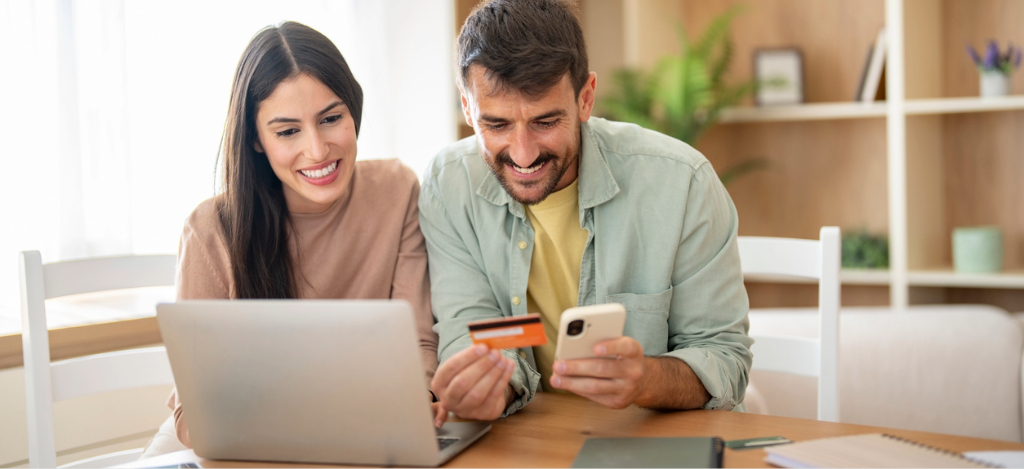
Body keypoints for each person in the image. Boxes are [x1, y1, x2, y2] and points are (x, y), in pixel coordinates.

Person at [420, 0, 752, 426]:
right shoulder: (449, 186)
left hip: (655, 438)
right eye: (497, 124)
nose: (523, 154)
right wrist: (486, 390)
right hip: (531, 437)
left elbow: (726, 361)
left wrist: (646, 379)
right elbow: (471, 329)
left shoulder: (682, 182)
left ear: (586, 99)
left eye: (545, 121)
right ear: (468, 109)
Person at [145, 21, 440, 454]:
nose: (318, 150)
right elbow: (195, 418)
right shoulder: (210, 230)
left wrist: (420, 403)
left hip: (367, 431)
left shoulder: (398, 190)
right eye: (287, 131)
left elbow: (418, 345)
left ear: (353, 111)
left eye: (331, 118)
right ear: (256, 139)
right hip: (233, 447)